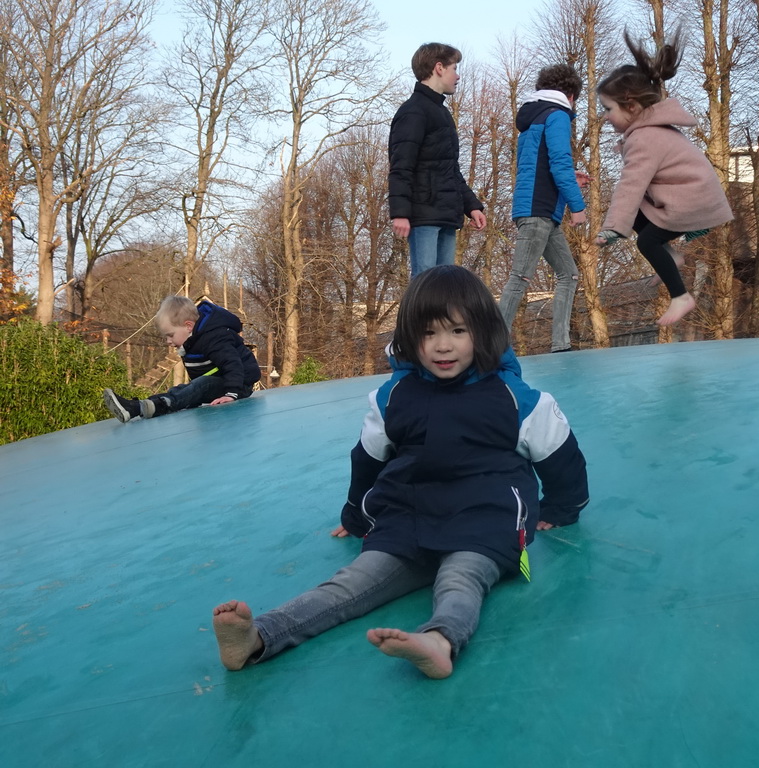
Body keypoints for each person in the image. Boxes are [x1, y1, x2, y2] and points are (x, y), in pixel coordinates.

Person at [212, 265, 589, 679]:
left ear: (484, 332)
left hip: (486, 519)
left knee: (461, 581)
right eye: (428, 333)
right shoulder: (393, 396)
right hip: (408, 518)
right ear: (410, 337)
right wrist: (354, 515)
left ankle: (440, 640)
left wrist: (562, 507)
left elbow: (560, 456)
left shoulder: (516, 398)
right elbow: (368, 460)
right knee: (350, 583)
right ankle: (260, 636)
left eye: (458, 332)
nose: (442, 346)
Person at [595, 30, 733, 326]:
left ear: (631, 107)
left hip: (691, 201)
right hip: (690, 195)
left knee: (646, 242)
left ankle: (681, 296)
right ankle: (672, 255)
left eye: (609, 109)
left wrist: (611, 229)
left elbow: (630, 186)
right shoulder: (651, 130)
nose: (605, 117)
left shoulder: (644, 138)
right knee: (636, 218)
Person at [498, 64, 589, 354]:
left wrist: (571, 178)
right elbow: (559, 164)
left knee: (569, 274)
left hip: (540, 211)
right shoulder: (558, 115)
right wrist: (577, 206)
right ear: (571, 94)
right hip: (538, 212)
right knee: (520, 277)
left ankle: (560, 345)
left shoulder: (534, 117)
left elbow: (538, 165)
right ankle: (490, 346)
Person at [389, 43, 487, 277]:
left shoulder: (442, 114)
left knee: (446, 285)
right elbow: (401, 165)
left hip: (447, 214)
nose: (458, 75)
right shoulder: (413, 112)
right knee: (424, 282)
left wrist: (471, 206)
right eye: (455, 68)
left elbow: (450, 169)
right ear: (439, 68)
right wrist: (400, 213)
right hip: (423, 214)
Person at [103, 296, 261, 423]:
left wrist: (231, 393)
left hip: (238, 386)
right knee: (181, 389)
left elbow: (232, 364)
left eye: (170, 335)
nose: (168, 341)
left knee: (200, 385)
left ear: (188, 326)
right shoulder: (191, 341)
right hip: (218, 383)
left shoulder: (214, 337)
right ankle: (136, 407)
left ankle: (162, 405)